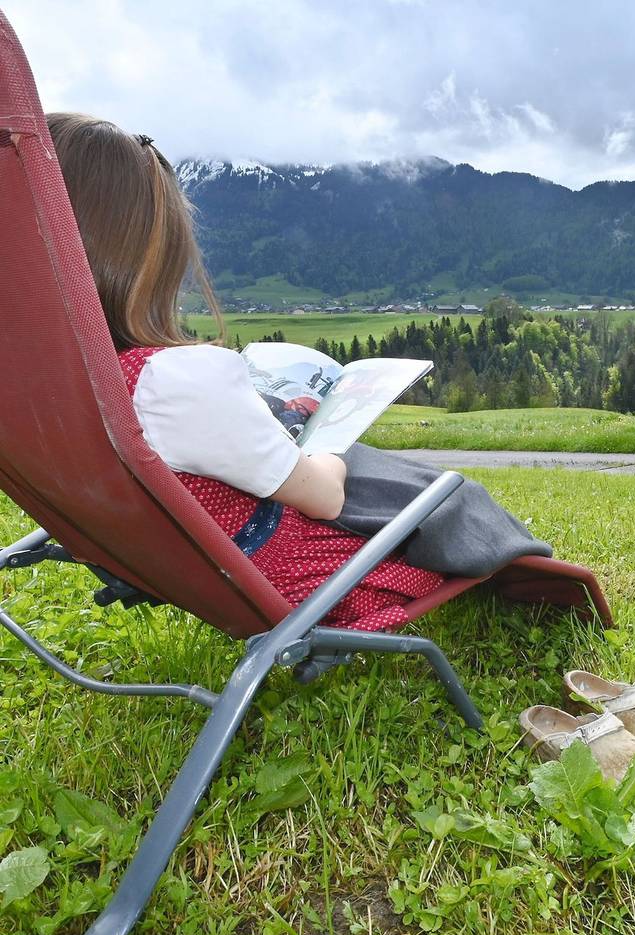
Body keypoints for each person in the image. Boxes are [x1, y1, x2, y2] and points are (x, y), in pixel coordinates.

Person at [47, 113, 549, 631]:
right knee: (431, 488)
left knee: (379, 473)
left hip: (196, 565)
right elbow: (325, 498)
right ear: (149, 252)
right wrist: (325, 441)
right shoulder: (177, 381)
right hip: (310, 581)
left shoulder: (53, 386)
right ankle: (521, 565)